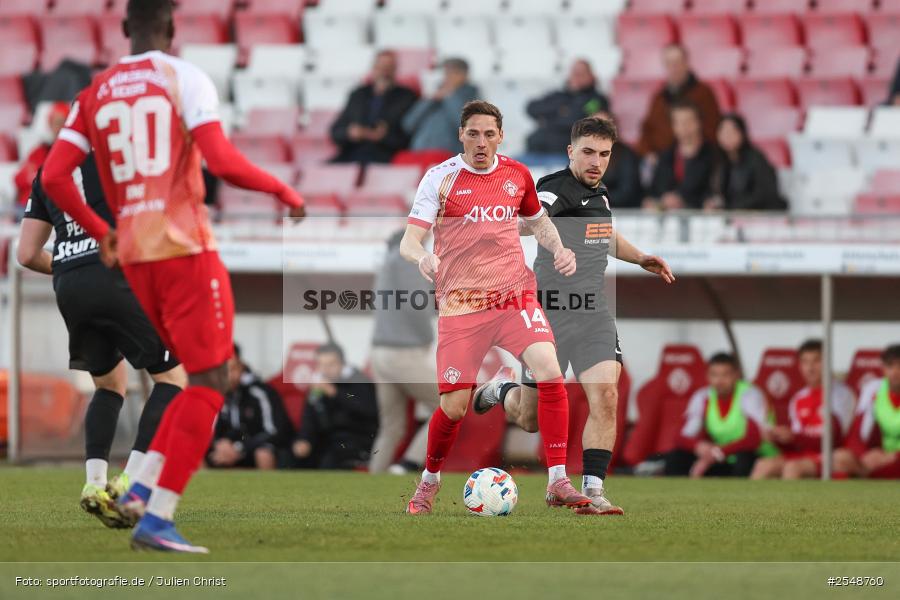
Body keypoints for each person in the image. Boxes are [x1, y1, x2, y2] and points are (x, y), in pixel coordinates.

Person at [40, 0, 305, 553]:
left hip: (134, 259)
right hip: (183, 249)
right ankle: (155, 516)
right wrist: (283, 191)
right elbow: (223, 161)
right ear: (172, 28)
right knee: (210, 381)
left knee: (186, 378)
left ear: (122, 29)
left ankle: (137, 491)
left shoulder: (95, 93)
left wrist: (97, 228)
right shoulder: (182, 77)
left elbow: (53, 176)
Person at [472, 117, 674, 515]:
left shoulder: (600, 193)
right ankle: (501, 389)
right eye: (588, 152)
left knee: (607, 395)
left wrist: (641, 258)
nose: (596, 161)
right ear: (571, 152)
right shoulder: (554, 189)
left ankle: (593, 491)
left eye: (604, 154)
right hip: (551, 314)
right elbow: (533, 219)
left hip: (594, 312)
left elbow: (606, 235)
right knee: (529, 419)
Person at [401, 100, 591, 515]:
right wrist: (423, 258)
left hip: (514, 297)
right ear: (461, 135)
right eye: (473, 133)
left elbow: (538, 221)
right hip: (462, 305)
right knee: (454, 407)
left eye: (489, 134)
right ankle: (428, 483)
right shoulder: (440, 178)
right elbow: (409, 240)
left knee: (550, 371)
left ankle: (558, 480)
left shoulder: (517, 174)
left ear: (501, 136)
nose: (481, 142)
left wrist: (559, 248)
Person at [17, 154, 186, 528]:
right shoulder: (121, 158)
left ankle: (94, 485)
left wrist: (67, 264)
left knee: (109, 385)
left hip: (69, 284)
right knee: (173, 379)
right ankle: (131, 482)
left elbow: (26, 254)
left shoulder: (49, 168)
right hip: (114, 273)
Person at [368, 230, 440, 474]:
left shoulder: (387, 262)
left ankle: (373, 479)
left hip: (380, 353)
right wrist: (428, 336)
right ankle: (408, 464)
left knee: (391, 427)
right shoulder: (408, 259)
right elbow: (416, 303)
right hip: (403, 352)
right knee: (447, 405)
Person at [750, 340, 855, 480]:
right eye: (805, 362)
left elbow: (833, 439)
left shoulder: (841, 394)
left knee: (792, 468)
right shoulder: (798, 398)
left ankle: (789, 503)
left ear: (828, 362)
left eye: (816, 361)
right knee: (763, 465)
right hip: (804, 456)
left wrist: (794, 437)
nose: (810, 368)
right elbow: (798, 443)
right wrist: (778, 438)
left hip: (833, 456)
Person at [664, 353, 767, 478]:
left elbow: (753, 439)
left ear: (736, 375)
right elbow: (681, 436)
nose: (719, 381)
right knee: (677, 456)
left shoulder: (749, 394)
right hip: (719, 457)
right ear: (707, 376)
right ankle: (678, 495)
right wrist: (698, 446)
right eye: (714, 375)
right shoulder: (702, 396)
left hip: (752, 455)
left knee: (745, 458)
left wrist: (718, 452)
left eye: (725, 375)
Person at [292, 343, 379, 470]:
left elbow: (367, 409)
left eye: (330, 364)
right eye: (321, 365)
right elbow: (309, 418)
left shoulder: (359, 381)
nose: (325, 369)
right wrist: (304, 439)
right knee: (292, 456)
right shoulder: (317, 388)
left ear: (342, 364)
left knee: (330, 460)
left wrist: (335, 393)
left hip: (357, 441)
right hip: (327, 441)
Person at [207, 344, 294, 470]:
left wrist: (239, 447)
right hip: (227, 450)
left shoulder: (260, 392)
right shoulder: (213, 394)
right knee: (195, 451)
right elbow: (207, 430)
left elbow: (274, 430)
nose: (227, 375)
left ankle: (269, 489)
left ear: (241, 367)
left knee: (263, 453)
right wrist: (219, 444)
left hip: (255, 448)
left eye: (232, 369)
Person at [330, 50, 418, 164]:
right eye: (380, 67)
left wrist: (384, 137)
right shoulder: (358, 94)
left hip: (384, 156)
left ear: (395, 70)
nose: (384, 72)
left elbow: (409, 136)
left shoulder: (406, 97)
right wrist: (351, 132)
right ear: (373, 68)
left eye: (388, 67)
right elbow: (336, 131)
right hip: (351, 153)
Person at [636, 44, 720, 157]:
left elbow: (713, 130)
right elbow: (647, 130)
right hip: (661, 160)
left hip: (696, 158)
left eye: (677, 62)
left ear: (686, 63)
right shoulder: (658, 98)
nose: (673, 68)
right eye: (669, 63)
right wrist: (649, 154)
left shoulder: (704, 93)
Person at [833, 344, 900, 479]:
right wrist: (864, 456)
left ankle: (866, 474)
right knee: (840, 457)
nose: (896, 372)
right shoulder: (874, 389)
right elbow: (857, 433)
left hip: (893, 458)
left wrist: (892, 456)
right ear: (883, 368)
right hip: (883, 457)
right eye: (890, 366)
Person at [526, 59, 610, 156]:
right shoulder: (558, 95)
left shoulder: (595, 100)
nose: (577, 77)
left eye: (581, 73)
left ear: (591, 76)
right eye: (574, 73)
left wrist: (548, 118)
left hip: (568, 154)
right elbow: (531, 108)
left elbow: (576, 119)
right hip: (536, 149)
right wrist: (559, 110)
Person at [705, 114, 786, 211]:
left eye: (732, 131)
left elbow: (764, 194)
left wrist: (731, 208)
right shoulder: (721, 162)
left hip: (761, 215)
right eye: (723, 131)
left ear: (742, 133)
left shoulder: (756, 158)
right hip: (735, 215)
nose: (727, 136)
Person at [644, 102, 716, 210]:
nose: (683, 127)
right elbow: (654, 191)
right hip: (668, 220)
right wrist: (660, 200)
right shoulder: (666, 156)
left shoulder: (714, 155)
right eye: (678, 122)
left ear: (699, 122)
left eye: (688, 121)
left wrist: (683, 199)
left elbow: (715, 193)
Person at [402, 58, 479, 154]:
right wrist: (430, 100)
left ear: (464, 75)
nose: (447, 77)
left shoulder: (472, 96)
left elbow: (464, 125)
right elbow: (408, 125)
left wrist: (450, 96)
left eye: (453, 72)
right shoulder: (435, 95)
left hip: (448, 158)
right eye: (446, 72)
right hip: (420, 154)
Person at [14, 102, 69, 209]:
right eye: (55, 122)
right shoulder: (39, 151)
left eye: (62, 122)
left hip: (47, 208)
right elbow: (19, 179)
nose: (59, 127)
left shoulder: (71, 152)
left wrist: (35, 176)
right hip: (26, 205)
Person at [592, 109, 643, 209]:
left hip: (621, 213)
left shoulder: (626, 154)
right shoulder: (581, 154)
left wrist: (597, 200)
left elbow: (627, 192)